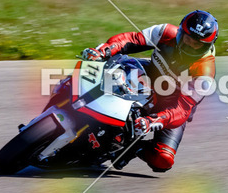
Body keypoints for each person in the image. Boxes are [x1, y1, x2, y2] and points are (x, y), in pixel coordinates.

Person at [81, 10, 218, 172]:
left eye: (197, 44)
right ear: (181, 32)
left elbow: (182, 110)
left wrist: (153, 121)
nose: (190, 46)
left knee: (163, 160)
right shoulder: (166, 32)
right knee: (108, 68)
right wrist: (104, 50)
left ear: (207, 45)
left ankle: (133, 147)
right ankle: (75, 93)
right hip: (147, 75)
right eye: (187, 39)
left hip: (171, 106)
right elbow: (132, 39)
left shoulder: (205, 73)